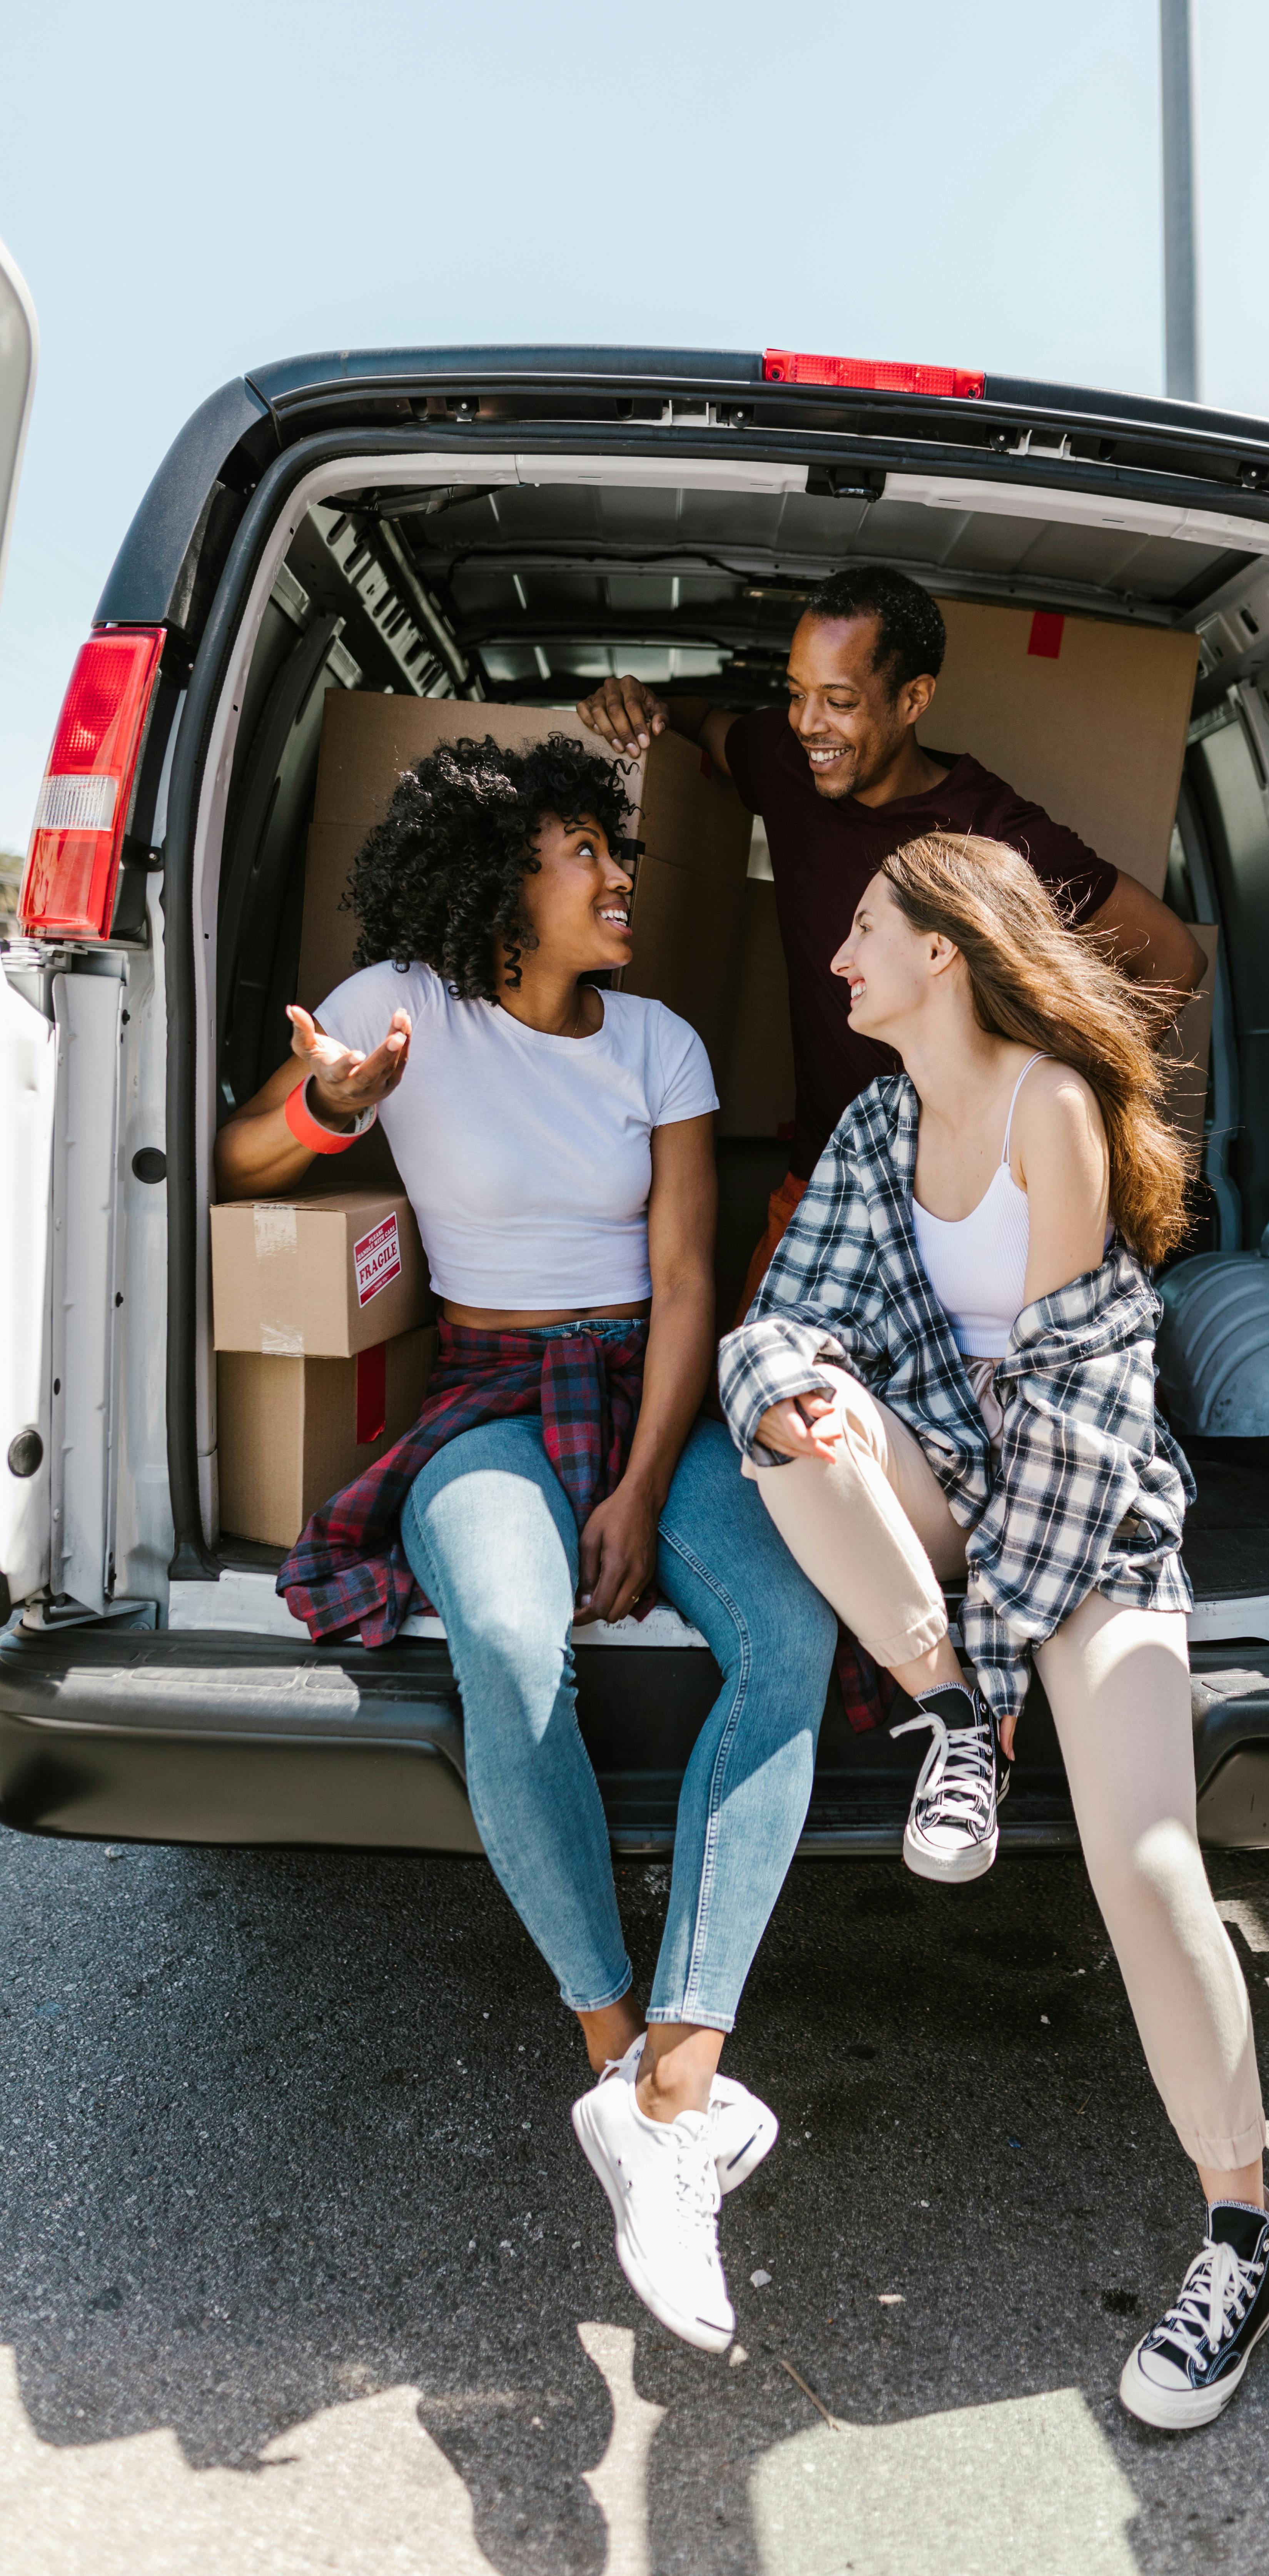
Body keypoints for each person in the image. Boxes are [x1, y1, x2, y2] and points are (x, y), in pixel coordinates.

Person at [214, 731, 837, 2361]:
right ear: (505, 883)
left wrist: (641, 1487)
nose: (623, 879)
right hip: (490, 1390)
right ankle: (618, 2062)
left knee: (792, 1631)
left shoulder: (661, 1039)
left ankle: (686, 2075)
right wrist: (331, 1104)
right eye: (587, 855)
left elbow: (693, 1279)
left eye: (614, 854)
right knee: (503, 1635)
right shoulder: (395, 1003)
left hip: (652, 1390)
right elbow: (239, 1158)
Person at [717, 830, 1269, 2431]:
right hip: (945, 1496)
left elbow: (1090, 1410)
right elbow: (780, 1317)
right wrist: (817, 1397)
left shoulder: (1055, 1108)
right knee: (786, 1402)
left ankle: (1239, 2222)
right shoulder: (875, 1123)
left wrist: (1021, 1621)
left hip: (1086, 1515)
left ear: (946, 948)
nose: (838, 960)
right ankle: (945, 1716)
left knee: (1148, 1857)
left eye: (863, 931)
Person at [575, 566, 1207, 1307]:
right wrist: (636, 702)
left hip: (949, 1201)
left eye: (839, 701)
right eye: (795, 692)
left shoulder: (993, 833)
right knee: (749, 1395)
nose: (809, 722)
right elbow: (702, 720)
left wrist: (1037, 1102)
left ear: (914, 700)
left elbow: (1172, 955)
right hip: (816, 1180)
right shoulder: (785, 761)